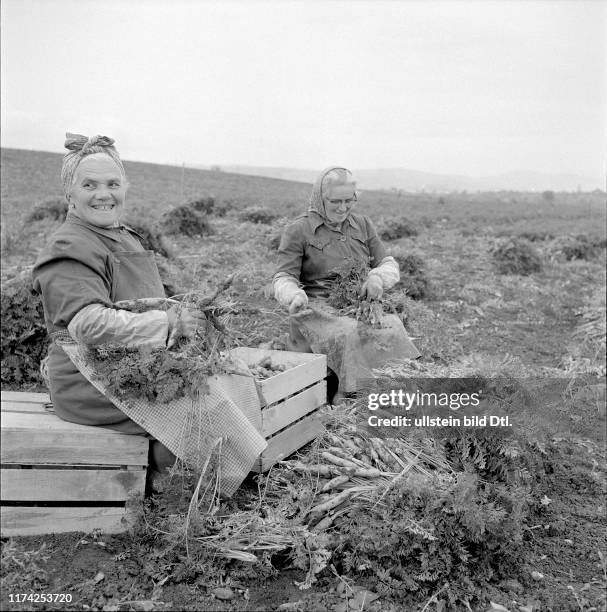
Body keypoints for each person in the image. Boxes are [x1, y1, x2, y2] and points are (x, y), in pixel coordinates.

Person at [32, 133, 204, 475]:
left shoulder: (122, 235)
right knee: (196, 406)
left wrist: (182, 311)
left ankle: (191, 474)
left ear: (126, 186)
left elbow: (141, 298)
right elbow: (88, 324)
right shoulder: (68, 244)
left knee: (222, 384)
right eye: (89, 185)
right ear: (70, 193)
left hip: (135, 361)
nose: (103, 194)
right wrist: (167, 323)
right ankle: (158, 488)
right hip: (90, 378)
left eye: (113, 183)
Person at [273, 166, 420, 399]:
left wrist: (376, 277)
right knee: (348, 332)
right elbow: (283, 277)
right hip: (315, 309)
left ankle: (385, 391)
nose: (343, 208)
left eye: (349, 200)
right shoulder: (298, 229)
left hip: (354, 305)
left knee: (392, 326)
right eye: (335, 201)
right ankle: (345, 399)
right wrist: (294, 295)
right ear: (321, 199)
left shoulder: (362, 224)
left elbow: (388, 263)